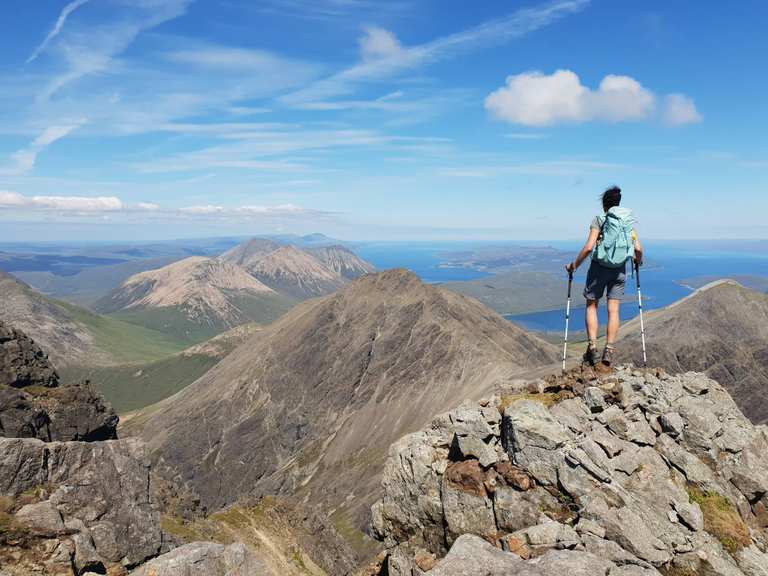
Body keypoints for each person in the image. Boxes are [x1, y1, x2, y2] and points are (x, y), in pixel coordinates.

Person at [565, 186, 643, 369]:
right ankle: (609, 349)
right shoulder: (627, 223)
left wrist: (574, 266)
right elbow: (638, 249)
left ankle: (592, 347)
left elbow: (589, 248)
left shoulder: (600, 220)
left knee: (592, 305)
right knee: (613, 309)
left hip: (599, 269)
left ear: (604, 204)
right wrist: (638, 262)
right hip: (619, 270)